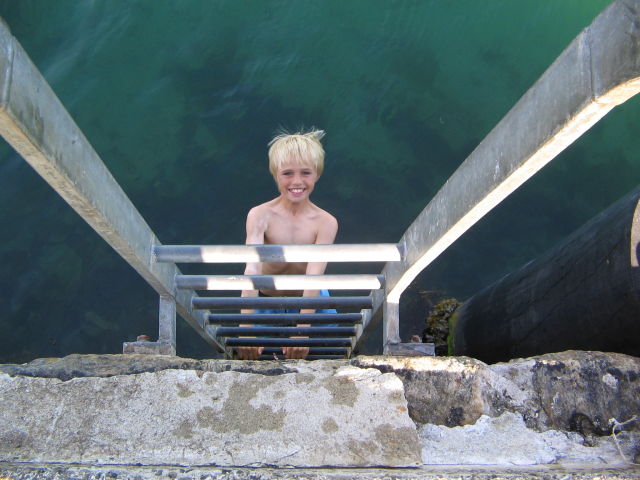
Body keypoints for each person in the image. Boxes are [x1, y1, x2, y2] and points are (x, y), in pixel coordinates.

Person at [237, 129, 338, 360]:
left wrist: (303, 329)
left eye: (306, 173)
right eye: (287, 173)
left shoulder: (325, 222)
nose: (297, 181)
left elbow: (314, 276)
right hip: (267, 298)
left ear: (317, 174)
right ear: (275, 175)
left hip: (311, 296)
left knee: (334, 345)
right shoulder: (260, 215)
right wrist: (246, 326)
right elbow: (251, 270)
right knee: (250, 353)